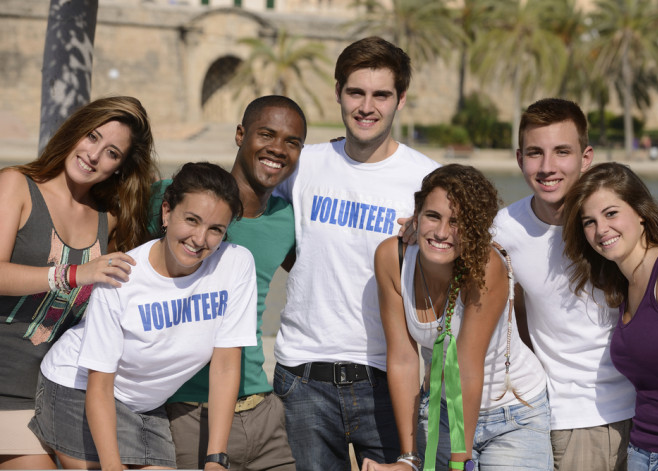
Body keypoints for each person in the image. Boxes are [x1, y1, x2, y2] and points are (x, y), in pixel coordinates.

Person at [492, 97, 658, 471]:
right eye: (535, 153)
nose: (548, 166)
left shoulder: (636, 243)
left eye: (562, 151)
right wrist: (415, 231)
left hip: (647, 421)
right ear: (519, 158)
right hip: (575, 423)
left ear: (585, 157)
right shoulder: (504, 230)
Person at [272, 36, 440, 470]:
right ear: (338, 93)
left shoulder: (429, 181)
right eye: (356, 93)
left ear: (401, 99)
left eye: (381, 95)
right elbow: (251, 218)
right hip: (302, 378)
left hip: (390, 380)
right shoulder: (302, 165)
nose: (367, 107)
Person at [28, 162, 258, 470]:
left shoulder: (235, 264)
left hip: (145, 407)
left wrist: (215, 459)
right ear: (167, 212)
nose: (200, 239)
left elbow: (226, 366)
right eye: (192, 220)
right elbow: (99, 385)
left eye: (216, 229)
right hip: (77, 389)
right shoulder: (122, 277)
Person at [0, 96, 157, 470]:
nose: (94, 155)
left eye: (112, 153)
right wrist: (74, 273)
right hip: (5, 391)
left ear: (120, 167)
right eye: (92, 136)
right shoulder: (16, 185)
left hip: (63, 395)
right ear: (75, 131)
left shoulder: (110, 219)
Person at [151, 96, 306, 470]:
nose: (277, 149)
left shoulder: (287, 220)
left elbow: (326, 275)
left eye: (292, 142)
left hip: (263, 410)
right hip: (189, 413)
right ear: (240, 135)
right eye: (266, 134)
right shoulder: (174, 197)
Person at [363, 164, 550, 471]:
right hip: (442, 412)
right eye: (433, 216)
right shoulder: (392, 258)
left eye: (457, 223)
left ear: (476, 229)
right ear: (416, 215)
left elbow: (466, 366)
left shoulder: (485, 268)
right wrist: (408, 459)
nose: (441, 233)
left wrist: (459, 462)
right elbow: (403, 359)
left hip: (513, 414)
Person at [562, 162, 658, 471]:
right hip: (642, 452)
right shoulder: (625, 284)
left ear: (641, 211)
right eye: (589, 222)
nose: (601, 229)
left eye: (611, 213)